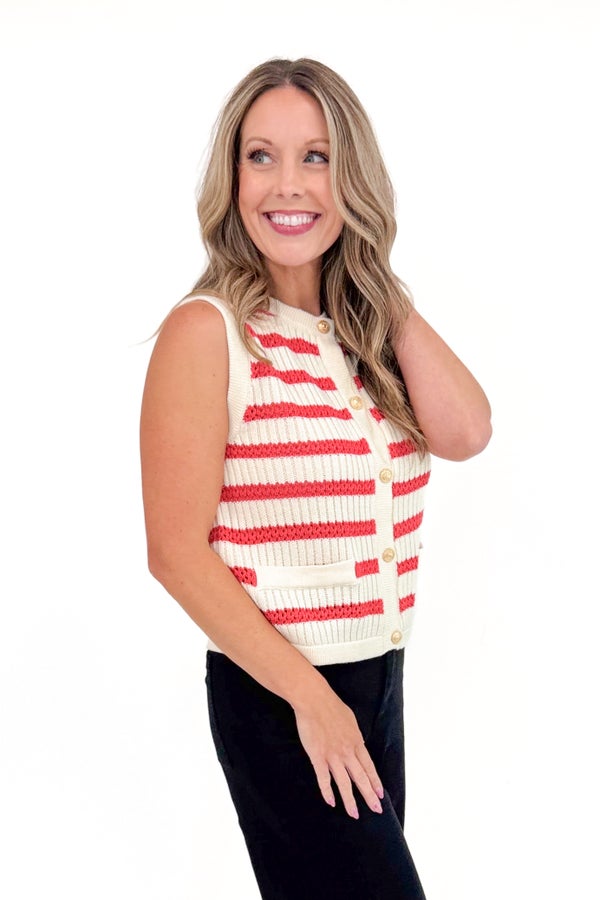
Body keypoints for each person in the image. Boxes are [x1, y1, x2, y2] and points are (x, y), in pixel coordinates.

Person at [140, 57, 492, 900]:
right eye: (260, 156)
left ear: (353, 177)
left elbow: (467, 430)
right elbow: (176, 553)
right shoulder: (208, 331)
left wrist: (369, 274)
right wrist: (312, 701)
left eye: (317, 158)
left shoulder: (356, 333)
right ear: (232, 177)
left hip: (377, 683)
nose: (286, 184)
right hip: (284, 695)